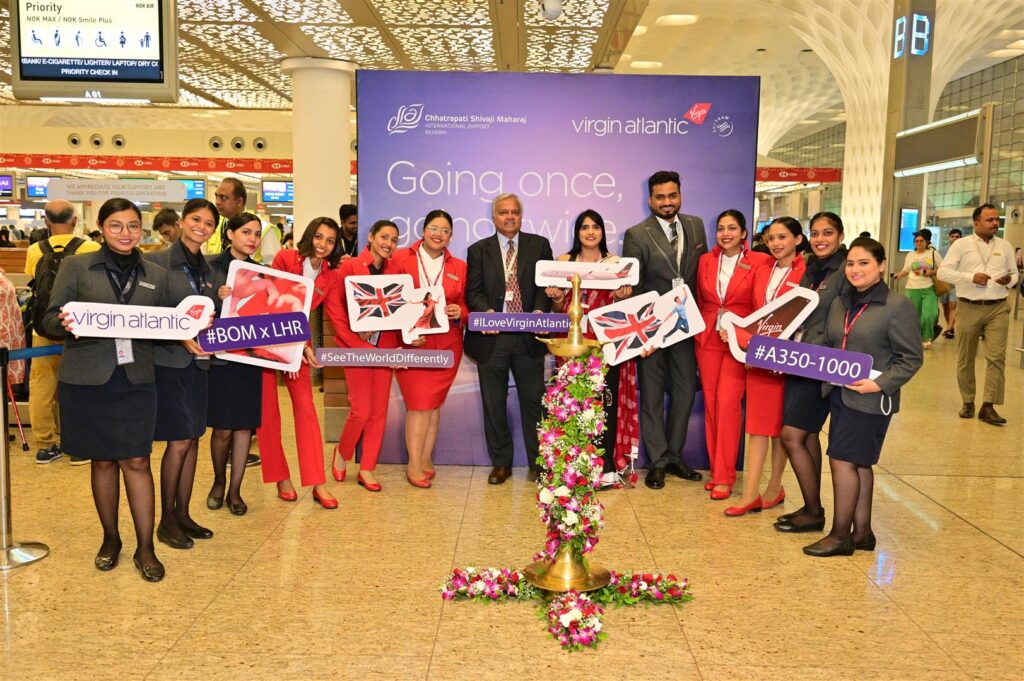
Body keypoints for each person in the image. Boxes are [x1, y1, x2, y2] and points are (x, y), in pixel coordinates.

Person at [43, 197, 170, 581]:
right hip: (88, 376)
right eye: (116, 225)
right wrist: (68, 323)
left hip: (136, 378)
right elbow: (49, 319)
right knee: (102, 461)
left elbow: (167, 324)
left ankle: (145, 547)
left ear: (141, 229)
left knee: (137, 460)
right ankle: (110, 538)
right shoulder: (77, 266)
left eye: (133, 226)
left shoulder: (155, 274)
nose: (125, 233)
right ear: (101, 227)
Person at [802, 237, 923, 556]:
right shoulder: (842, 301)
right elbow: (830, 341)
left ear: (882, 266)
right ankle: (863, 533)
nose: (855, 270)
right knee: (859, 464)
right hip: (840, 392)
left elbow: (910, 358)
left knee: (842, 460)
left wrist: (879, 384)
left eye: (864, 263)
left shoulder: (897, 307)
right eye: (851, 264)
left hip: (871, 399)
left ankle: (840, 535)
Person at [621, 170, 707, 490]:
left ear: (680, 196)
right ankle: (657, 461)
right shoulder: (636, 234)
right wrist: (647, 330)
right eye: (660, 197)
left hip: (687, 325)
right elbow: (636, 284)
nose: (667, 202)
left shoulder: (696, 226)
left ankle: (674, 456)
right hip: (653, 327)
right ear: (650, 200)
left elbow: (699, 275)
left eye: (672, 196)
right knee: (653, 396)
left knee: (685, 393)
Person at [145, 198, 219, 550]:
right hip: (169, 362)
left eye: (208, 224)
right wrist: (182, 337)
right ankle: (166, 521)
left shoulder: (207, 269)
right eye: (196, 219)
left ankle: (184, 514)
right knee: (177, 441)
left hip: (199, 364)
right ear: (182, 221)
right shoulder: (157, 262)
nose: (200, 227)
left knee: (193, 439)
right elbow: (150, 314)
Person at [258, 217, 347, 507]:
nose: (323, 245)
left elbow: (338, 319)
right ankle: (281, 477)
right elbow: (275, 302)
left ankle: (317, 483)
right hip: (267, 340)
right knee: (268, 413)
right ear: (309, 236)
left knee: (307, 412)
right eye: (319, 237)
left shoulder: (330, 277)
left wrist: (367, 341)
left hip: (299, 347)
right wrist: (302, 344)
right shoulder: (286, 258)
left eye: (330, 240)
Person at [544, 209, 638, 487]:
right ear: (577, 232)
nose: (590, 231)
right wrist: (557, 297)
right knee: (573, 404)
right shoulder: (564, 262)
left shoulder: (616, 264)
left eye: (595, 226)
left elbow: (622, 310)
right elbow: (558, 308)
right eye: (584, 227)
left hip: (605, 345)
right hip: (573, 345)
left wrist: (622, 294)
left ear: (602, 231)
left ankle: (604, 469)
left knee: (603, 406)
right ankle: (573, 468)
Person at [465, 194, 553, 485]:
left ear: (521, 215)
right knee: (494, 403)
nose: (510, 216)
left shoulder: (539, 245)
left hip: (528, 337)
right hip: (493, 338)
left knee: (534, 402)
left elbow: (546, 284)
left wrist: (541, 309)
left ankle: (539, 463)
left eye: (515, 212)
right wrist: (486, 312)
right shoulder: (478, 250)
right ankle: (501, 463)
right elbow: (473, 291)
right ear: (494, 217)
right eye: (504, 212)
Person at [725, 217, 806, 516]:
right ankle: (750, 494)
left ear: (798, 239)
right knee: (757, 426)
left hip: (789, 358)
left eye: (783, 237)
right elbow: (754, 313)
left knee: (780, 428)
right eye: (771, 238)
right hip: (760, 355)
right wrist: (735, 331)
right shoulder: (763, 269)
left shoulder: (806, 271)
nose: (776, 243)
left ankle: (774, 487)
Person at [775, 211, 848, 533]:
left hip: (820, 362)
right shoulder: (811, 269)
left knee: (792, 435)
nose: (821, 239)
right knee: (806, 436)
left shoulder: (845, 270)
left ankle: (815, 511)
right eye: (816, 233)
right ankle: (811, 507)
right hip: (799, 358)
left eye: (828, 233)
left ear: (840, 236)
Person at [695, 210, 772, 500]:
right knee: (712, 405)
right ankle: (717, 470)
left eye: (732, 228)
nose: (725, 233)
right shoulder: (706, 260)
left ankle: (727, 475)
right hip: (708, 339)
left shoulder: (760, 261)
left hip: (740, 341)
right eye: (720, 228)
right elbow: (703, 300)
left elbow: (762, 305)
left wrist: (743, 333)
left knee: (728, 404)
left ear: (743, 234)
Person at [391, 210, 468, 487]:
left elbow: (467, 304)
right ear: (423, 230)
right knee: (419, 404)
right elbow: (389, 298)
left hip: (447, 345)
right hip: (411, 343)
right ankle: (413, 464)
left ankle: (425, 458)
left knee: (434, 405)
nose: (438, 234)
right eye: (434, 228)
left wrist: (461, 310)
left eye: (445, 230)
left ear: (451, 236)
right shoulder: (400, 258)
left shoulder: (459, 266)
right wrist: (405, 332)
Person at [25, 200, 101, 464]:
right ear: (76, 221)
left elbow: (34, 284)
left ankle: (45, 445)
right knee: (81, 386)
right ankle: (79, 446)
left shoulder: (35, 249)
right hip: (81, 329)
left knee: (42, 386)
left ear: (46, 222)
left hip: (44, 328)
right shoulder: (91, 248)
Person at [331, 219, 401, 491]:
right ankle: (342, 452)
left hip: (385, 347)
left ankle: (368, 468)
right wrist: (350, 336)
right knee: (360, 411)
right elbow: (335, 306)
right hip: (356, 348)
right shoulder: (348, 266)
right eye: (384, 237)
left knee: (379, 411)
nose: (389, 244)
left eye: (394, 240)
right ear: (371, 236)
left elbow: (400, 307)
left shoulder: (394, 269)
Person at [937, 204, 1018, 426]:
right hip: (969, 306)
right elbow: (943, 271)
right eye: (990, 220)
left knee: (996, 357)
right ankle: (968, 401)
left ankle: (989, 406)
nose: (995, 223)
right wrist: (970, 277)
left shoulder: (1005, 245)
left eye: (997, 220)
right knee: (966, 357)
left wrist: (1008, 280)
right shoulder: (961, 245)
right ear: (976, 223)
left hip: (998, 307)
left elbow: (1014, 274)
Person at [205, 213, 264, 516]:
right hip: (220, 358)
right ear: (230, 234)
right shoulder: (210, 267)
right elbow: (196, 307)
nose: (252, 239)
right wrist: (216, 298)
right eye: (246, 232)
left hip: (249, 358)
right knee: (223, 429)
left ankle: (236, 490)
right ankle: (217, 481)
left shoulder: (263, 273)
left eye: (256, 234)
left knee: (244, 427)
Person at [892, 231, 942, 349]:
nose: (918, 243)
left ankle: (927, 337)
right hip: (912, 288)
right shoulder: (910, 255)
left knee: (929, 315)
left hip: (929, 288)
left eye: (921, 241)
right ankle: (915, 338)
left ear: (927, 242)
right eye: (916, 241)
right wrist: (899, 275)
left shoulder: (934, 253)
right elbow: (906, 270)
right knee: (914, 316)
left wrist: (932, 272)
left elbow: (943, 269)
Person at [939, 228, 962, 339]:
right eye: (952, 236)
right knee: (945, 306)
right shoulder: (942, 251)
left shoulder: (964, 251)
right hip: (944, 283)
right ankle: (951, 327)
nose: (955, 239)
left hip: (956, 282)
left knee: (953, 305)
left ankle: (948, 328)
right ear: (949, 237)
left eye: (957, 237)